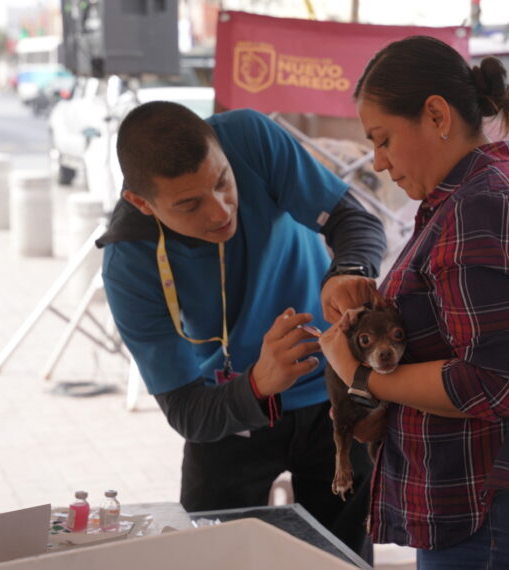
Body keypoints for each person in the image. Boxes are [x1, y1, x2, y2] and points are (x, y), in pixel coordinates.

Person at [319, 36, 509, 569]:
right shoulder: (464, 197)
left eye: (383, 140)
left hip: (498, 518)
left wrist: (363, 377)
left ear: (435, 114)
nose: (377, 162)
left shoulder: (482, 207)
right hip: (489, 511)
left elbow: (495, 384)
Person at [97, 101, 386, 556]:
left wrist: (346, 271)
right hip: (228, 412)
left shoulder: (248, 137)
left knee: (342, 557)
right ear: (141, 202)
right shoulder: (127, 263)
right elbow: (187, 410)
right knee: (214, 556)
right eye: (190, 203)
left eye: (223, 182)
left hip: (333, 395)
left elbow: (357, 222)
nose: (219, 212)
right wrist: (257, 384)